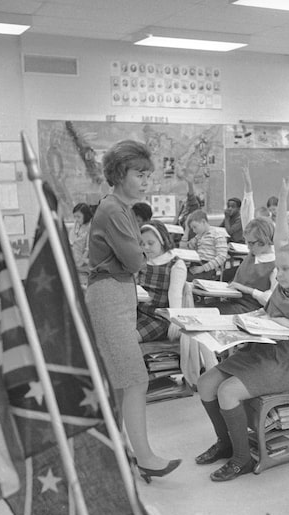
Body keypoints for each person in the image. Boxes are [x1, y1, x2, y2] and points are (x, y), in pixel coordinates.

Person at [194, 175, 289, 482]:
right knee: (207, 382)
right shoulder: (284, 287)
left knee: (228, 391)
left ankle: (241, 459)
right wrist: (247, 320)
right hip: (261, 352)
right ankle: (226, 443)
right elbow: (281, 242)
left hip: (287, 364)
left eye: (285, 269)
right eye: (278, 269)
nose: (280, 274)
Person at [85, 139, 180, 482]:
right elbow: (134, 260)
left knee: (122, 383)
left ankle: (117, 450)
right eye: (140, 174)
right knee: (135, 378)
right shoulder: (114, 210)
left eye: (148, 175)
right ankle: (145, 457)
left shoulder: (122, 210)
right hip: (110, 295)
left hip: (118, 295)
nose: (146, 181)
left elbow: (135, 258)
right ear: (121, 173)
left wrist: (137, 251)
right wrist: (138, 251)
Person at [136, 220, 187, 342]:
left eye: (151, 243)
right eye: (142, 244)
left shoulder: (175, 264)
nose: (146, 247)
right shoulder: (141, 260)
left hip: (158, 318)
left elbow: (175, 295)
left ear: (163, 241)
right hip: (137, 312)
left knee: (128, 339)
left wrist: (175, 320)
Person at [214, 218, 277, 314]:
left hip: (250, 310)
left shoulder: (275, 265)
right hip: (233, 302)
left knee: (211, 311)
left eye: (251, 243)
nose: (248, 247)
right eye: (247, 242)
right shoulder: (253, 254)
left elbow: (271, 301)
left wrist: (247, 290)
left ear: (264, 240)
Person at [183, 209, 228, 280]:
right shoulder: (198, 236)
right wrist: (190, 244)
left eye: (195, 227)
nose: (194, 231)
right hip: (196, 264)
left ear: (203, 222)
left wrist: (203, 268)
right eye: (192, 229)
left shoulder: (217, 235)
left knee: (184, 279)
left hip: (208, 268)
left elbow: (222, 257)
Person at [70, 202, 93, 286]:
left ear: (86, 215)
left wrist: (81, 261)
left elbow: (88, 248)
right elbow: (72, 240)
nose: (76, 219)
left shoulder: (91, 227)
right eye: (75, 216)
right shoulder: (76, 224)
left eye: (78, 217)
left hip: (84, 265)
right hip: (74, 262)